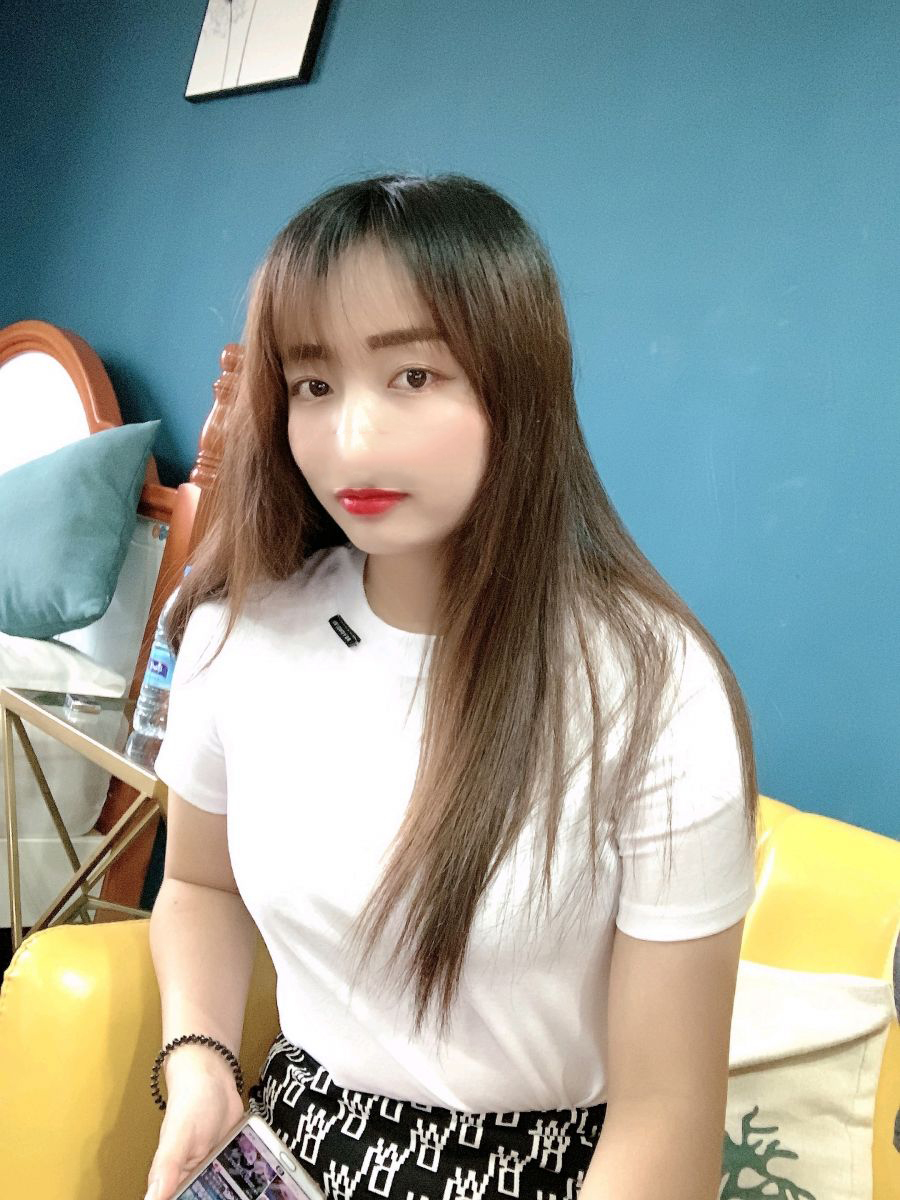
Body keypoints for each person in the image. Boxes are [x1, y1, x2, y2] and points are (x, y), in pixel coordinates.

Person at [143, 172, 758, 1200]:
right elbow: (200, 884)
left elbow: (669, 1117)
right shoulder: (238, 628)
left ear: (517, 383)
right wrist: (201, 1060)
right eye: (314, 384)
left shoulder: (654, 689)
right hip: (289, 1147)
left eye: (413, 375)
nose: (352, 439)